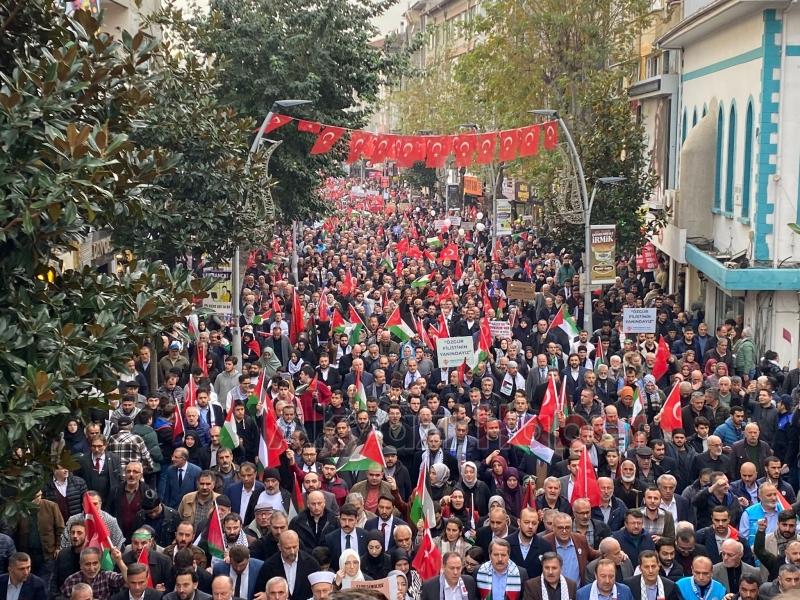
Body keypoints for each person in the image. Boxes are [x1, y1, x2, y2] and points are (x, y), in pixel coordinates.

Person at [256, 530, 319, 600]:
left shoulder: (311, 564)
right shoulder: (268, 566)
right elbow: (260, 591)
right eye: (288, 548)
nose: (292, 551)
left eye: (294, 547)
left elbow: (318, 589)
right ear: (279, 547)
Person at [61, 547, 127, 600]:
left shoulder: (106, 576)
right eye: (87, 564)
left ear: (100, 563)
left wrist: (119, 561)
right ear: (80, 565)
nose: (92, 568)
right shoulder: (71, 581)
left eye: (95, 563)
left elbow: (128, 580)